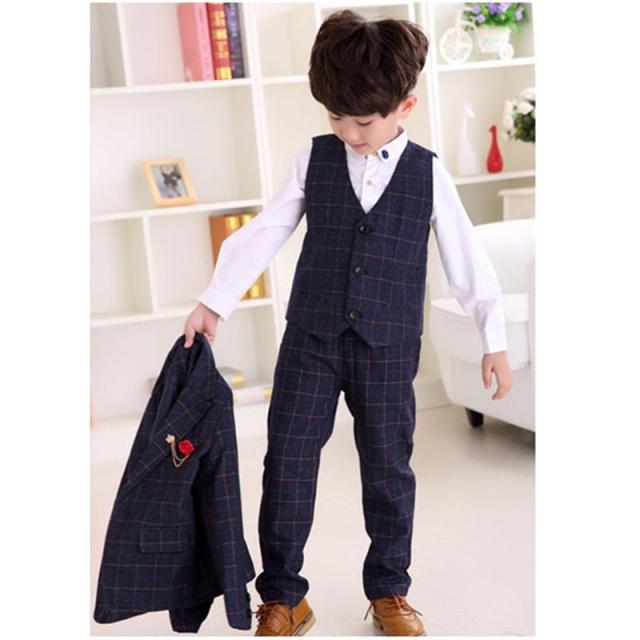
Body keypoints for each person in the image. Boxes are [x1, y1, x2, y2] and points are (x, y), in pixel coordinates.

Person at [183, 9, 512, 636]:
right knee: (288, 461)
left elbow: (467, 259)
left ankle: (389, 590)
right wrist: (214, 300)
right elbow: (265, 232)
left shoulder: (428, 173)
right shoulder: (314, 160)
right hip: (310, 339)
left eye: (364, 121)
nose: (349, 132)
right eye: (337, 117)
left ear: (405, 106)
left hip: (387, 346)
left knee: (388, 469)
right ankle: (283, 595)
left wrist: (492, 339)